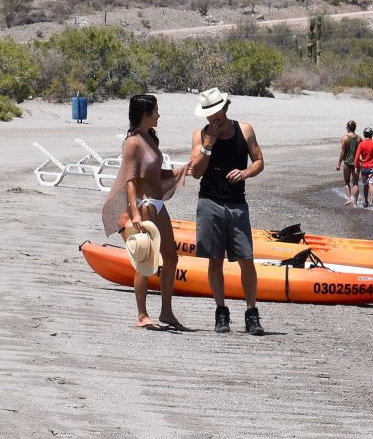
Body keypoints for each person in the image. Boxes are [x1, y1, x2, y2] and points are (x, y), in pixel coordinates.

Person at [102, 94, 188, 331]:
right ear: (145, 113)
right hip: (142, 205)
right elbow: (130, 180)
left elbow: (154, 175)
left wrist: (180, 171)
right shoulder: (133, 143)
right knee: (146, 260)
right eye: (155, 111)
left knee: (171, 258)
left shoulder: (150, 138)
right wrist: (135, 213)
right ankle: (142, 315)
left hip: (157, 203)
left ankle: (166, 312)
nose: (159, 115)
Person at [188, 87, 266, 335]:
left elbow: (259, 161)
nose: (214, 118)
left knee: (246, 259)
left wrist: (245, 173)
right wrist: (207, 146)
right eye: (209, 115)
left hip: (237, 203)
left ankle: (251, 313)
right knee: (214, 259)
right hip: (209, 201)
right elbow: (196, 173)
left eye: (217, 112)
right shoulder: (200, 135)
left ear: (225, 107)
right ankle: (221, 311)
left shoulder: (245, 129)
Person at [353, 126, 373, 209]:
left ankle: (366, 201)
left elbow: (356, 157)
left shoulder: (361, 144)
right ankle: (372, 202)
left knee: (365, 185)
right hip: (372, 167)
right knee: (371, 184)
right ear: (372, 135)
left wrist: (356, 167)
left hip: (364, 167)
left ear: (364, 135)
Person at [338, 119, 360, 207]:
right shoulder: (359, 138)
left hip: (347, 163)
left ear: (348, 128)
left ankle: (349, 199)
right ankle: (355, 202)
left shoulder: (345, 138)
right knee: (355, 183)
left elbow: (343, 151)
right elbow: (361, 151)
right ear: (355, 128)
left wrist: (339, 163)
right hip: (356, 163)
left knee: (347, 182)